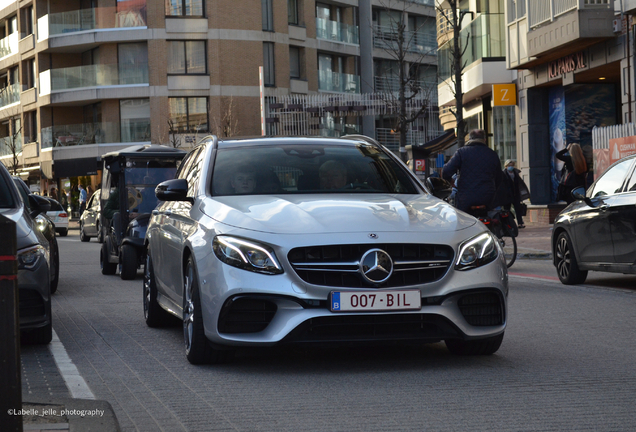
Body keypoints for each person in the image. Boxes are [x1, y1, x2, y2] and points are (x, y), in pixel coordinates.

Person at [442, 129, 503, 213]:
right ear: (484, 140)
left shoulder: (461, 152)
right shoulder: (492, 154)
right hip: (487, 198)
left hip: (465, 198)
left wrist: (450, 181)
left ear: (469, 139)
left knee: (462, 220)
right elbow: (499, 177)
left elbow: (446, 171)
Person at [502, 160, 530, 228]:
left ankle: (520, 223)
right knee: (507, 210)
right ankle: (507, 224)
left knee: (518, 209)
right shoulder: (503, 174)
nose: (511, 167)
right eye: (509, 166)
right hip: (507, 195)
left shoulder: (515, 173)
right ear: (506, 166)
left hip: (515, 194)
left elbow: (520, 184)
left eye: (512, 165)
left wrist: (523, 193)